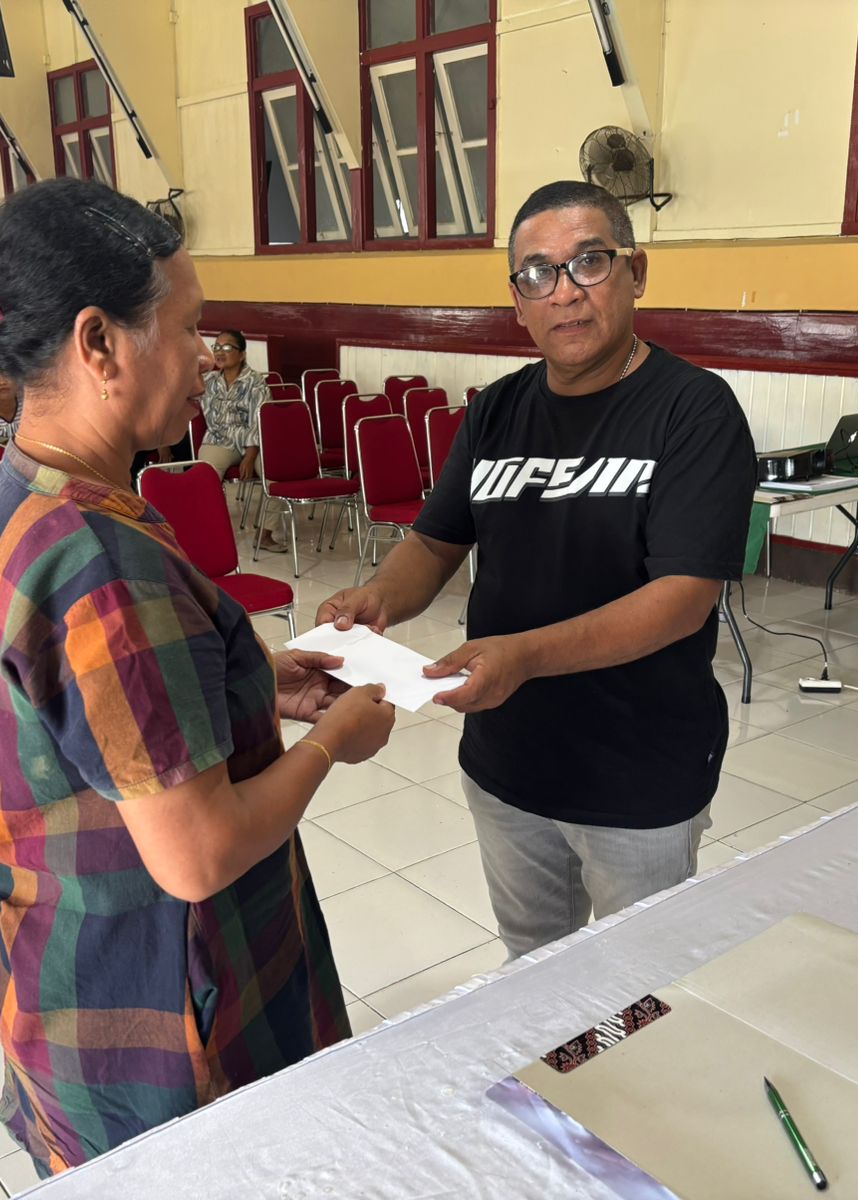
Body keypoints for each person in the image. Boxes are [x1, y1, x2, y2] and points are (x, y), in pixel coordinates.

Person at [0, 178, 396, 1178]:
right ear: (99, 343)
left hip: (63, 980)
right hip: (164, 1022)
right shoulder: (104, 562)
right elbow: (197, 854)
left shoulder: (19, 494)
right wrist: (333, 741)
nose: (205, 357)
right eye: (189, 329)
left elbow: (87, 715)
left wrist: (252, 681)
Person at [319, 180, 756, 961]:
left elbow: (682, 599)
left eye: (589, 262)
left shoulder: (694, 411)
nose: (565, 292)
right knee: (532, 962)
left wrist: (522, 655)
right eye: (537, 274)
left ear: (636, 272)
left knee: (632, 990)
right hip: (507, 761)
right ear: (517, 301)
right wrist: (380, 596)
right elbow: (436, 542)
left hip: (637, 772)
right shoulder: (497, 410)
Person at [198, 330, 282, 551]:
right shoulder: (208, 380)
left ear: (242, 354)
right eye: (216, 347)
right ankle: (210, 531)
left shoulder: (255, 382)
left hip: (252, 442)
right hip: (218, 439)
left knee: (274, 473)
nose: (220, 352)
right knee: (205, 475)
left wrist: (250, 456)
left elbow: (259, 420)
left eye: (227, 348)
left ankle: (265, 534)